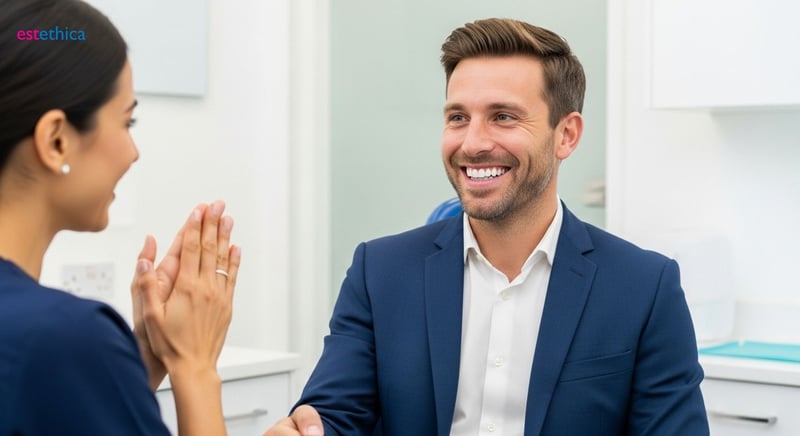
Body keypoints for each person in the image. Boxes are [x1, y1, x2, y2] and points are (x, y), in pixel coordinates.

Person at [266, 18, 709, 435]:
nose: (473, 143)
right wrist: (310, 426)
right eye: (458, 117)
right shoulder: (379, 271)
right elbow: (335, 415)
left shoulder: (645, 288)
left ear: (566, 135)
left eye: (503, 116)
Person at [0, 0, 241, 434]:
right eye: (127, 122)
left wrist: (137, 364)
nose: (133, 152)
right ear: (56, 140)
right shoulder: (65, 335)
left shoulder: (63, 344)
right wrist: (195, 365)